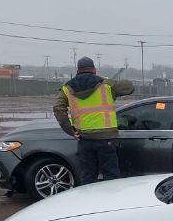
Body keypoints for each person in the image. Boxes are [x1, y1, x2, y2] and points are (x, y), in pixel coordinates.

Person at [53, 57, 135, 185]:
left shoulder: (67, 88)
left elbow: (58, 108)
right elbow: (129, 87)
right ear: (94, 70)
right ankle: (112, 203)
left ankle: (90, 203)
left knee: (88, 177)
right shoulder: (106, 85)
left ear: (78, 70)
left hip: (84, 138)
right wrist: (109, 81)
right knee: (111, 176)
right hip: (106, 139)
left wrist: (70, 130)